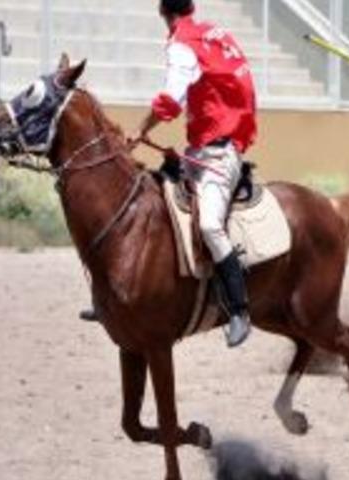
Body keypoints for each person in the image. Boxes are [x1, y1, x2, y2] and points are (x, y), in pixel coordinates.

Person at [127, 0, 257, 347]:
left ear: (164, 15)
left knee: (210, 226)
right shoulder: (211, 34)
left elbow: (171, 99)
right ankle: (123, 299)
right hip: (205, 147)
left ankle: (239, 311)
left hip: (219, 154)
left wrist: (141, 129)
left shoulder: (182, 43)